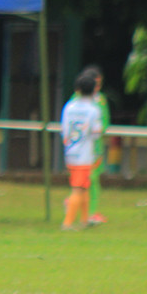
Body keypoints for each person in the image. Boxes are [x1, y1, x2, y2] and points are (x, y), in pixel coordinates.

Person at [61, 71, 104, 231]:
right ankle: (67, 223)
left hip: (70, 152)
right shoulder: (94, 109)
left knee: (84, 185)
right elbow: (96, 132)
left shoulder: (69, 107)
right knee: (78, 188)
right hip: (85, 155)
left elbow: (64, 131)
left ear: (77, 89)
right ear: (94, 90)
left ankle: (85, 220)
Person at [69, 65, 109, 225]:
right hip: (81, 149)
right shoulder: (76, 102)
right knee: (84, 181)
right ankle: (74, 216)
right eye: (95, 84)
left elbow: (104, 124)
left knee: (91, 181)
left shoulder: (101, 100)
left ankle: (89, 214)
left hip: (93, 148)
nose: (97, 88)